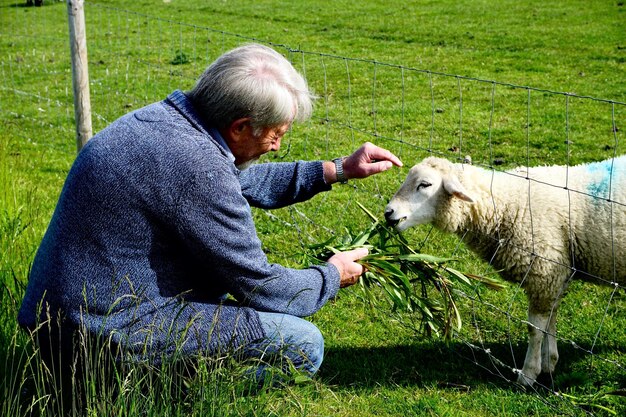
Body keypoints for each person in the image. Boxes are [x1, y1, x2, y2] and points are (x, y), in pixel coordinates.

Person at [18, 43, 403, 382]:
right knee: (303, 344)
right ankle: (165, 388)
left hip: (58, 320)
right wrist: (331, 276)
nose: (275, 147)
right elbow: (262, 287)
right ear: (239, 127)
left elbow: (236, 180)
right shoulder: (197, 167)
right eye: (276, 134)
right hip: (97, 335)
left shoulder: (167, 122)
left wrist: (337, 169)